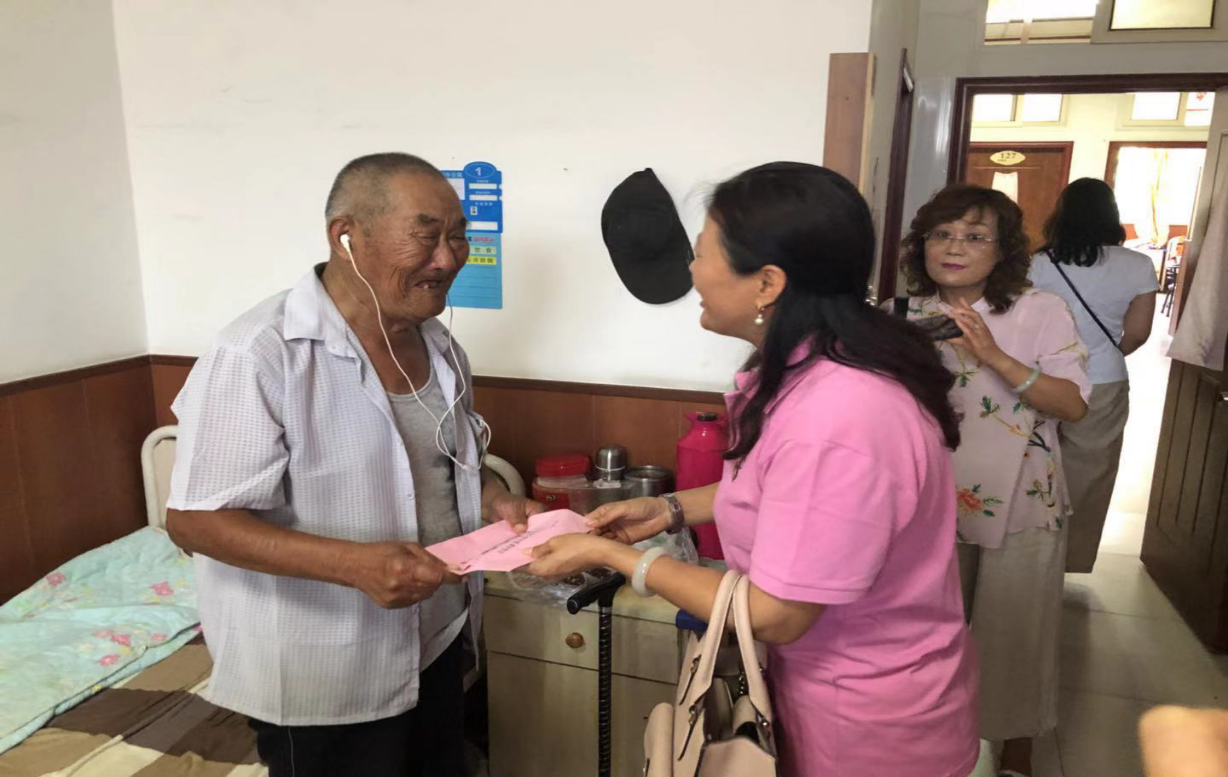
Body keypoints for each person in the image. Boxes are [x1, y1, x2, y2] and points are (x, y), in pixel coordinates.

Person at [526, 162, 980, 777]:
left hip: (867, 729)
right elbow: (784, 491)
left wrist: (615, 557)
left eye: (701, 253)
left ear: (767, 283)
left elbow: (776, 614)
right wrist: (668, 509)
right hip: (824, 696)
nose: (692, 270)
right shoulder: (813, 369)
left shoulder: (840, 414)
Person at [165, 152, 542, 777]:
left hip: (437, 639)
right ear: (346, 236)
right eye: (426, 235)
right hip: (322, 672)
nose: (448, 259)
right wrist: (354, 565)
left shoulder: (440, 346)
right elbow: (194, 522)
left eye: (457, 237)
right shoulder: (260, 353)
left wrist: (496, 500)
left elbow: (445, 466)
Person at [900, 183, 1091, 777]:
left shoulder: (1039, 310)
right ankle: (924, 738)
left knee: (1015, 628)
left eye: (975, 236)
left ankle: (1016, 748)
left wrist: (995, 356)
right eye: (942, 234)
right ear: (923, 245)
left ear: (1003, 249)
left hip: (1021, 494)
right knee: (924, 629)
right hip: (927, 496)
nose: (955, 247)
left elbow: (1073, 406)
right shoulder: (899, 314)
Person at [1029, 177, 1158, 573]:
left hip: (1041, 380)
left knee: (1032, 464)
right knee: (1089, 474)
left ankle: (1027, 554)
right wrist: (1100, 355)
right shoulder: (1138, 265)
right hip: (1103, 380)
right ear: (1111, 215)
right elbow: (1137, 333)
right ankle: (1069, 561)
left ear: (1060, 215)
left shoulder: (1037, 264)